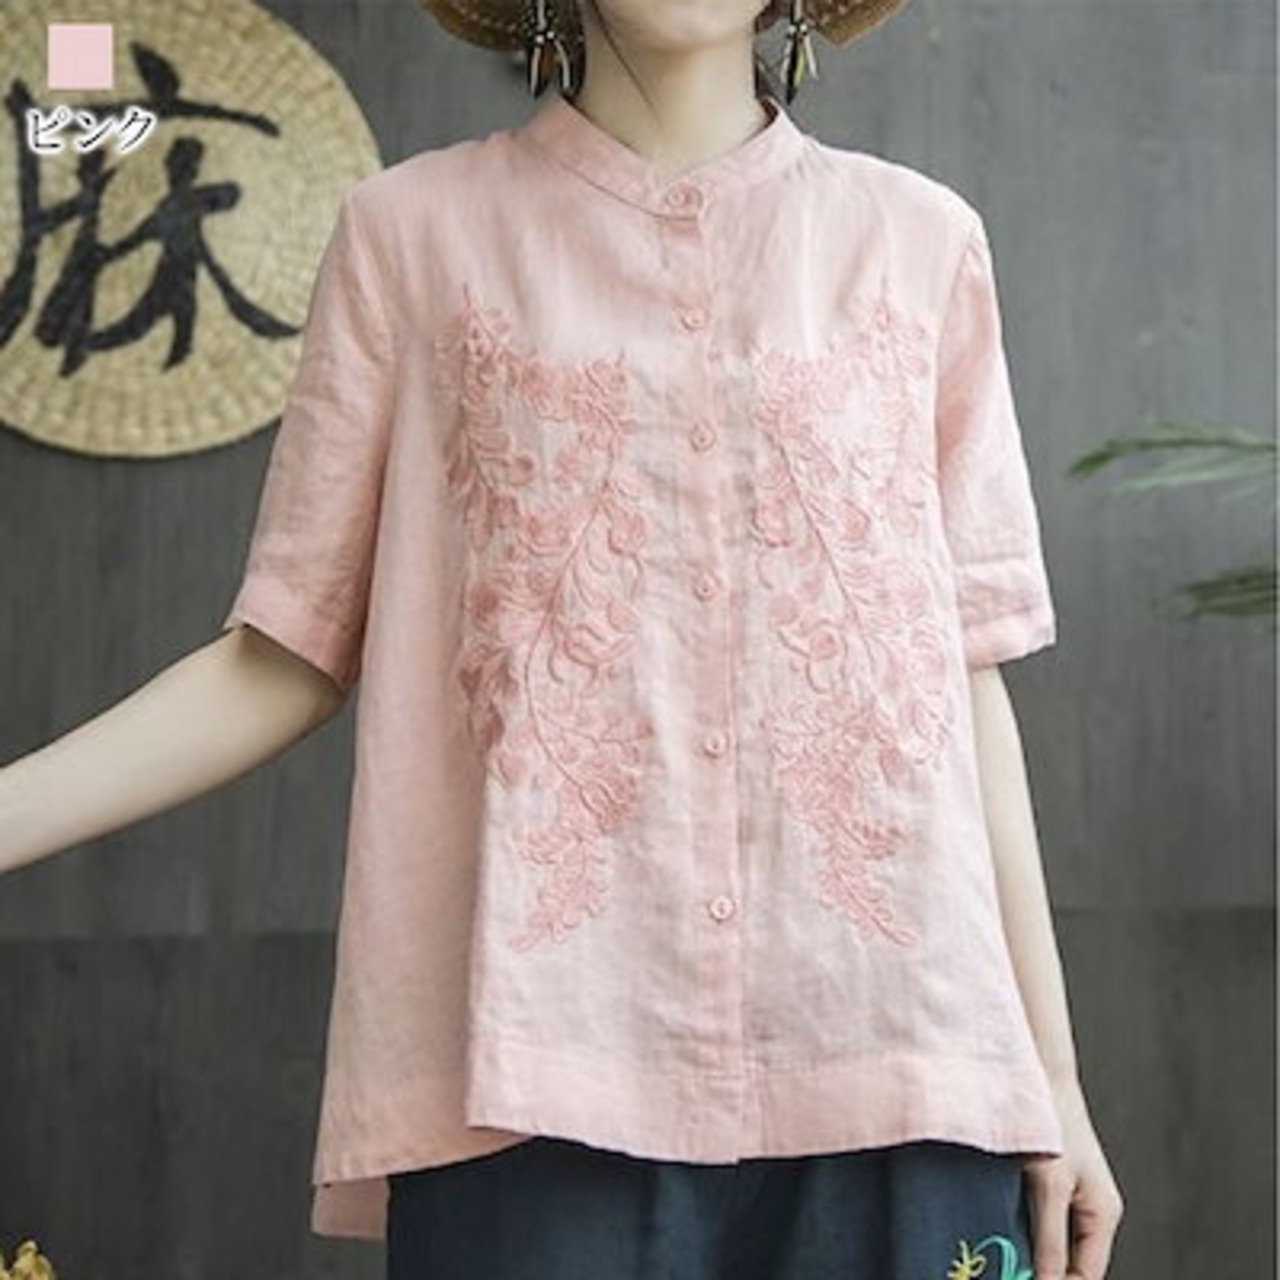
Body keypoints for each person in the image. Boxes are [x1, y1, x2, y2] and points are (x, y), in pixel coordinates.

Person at [0, 1, 1126, 1277]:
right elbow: (282, 651)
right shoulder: (410, 237)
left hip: (902, 1058)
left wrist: (1049, 1079)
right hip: (532, 1067)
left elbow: (960, 679)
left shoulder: (919, 244)